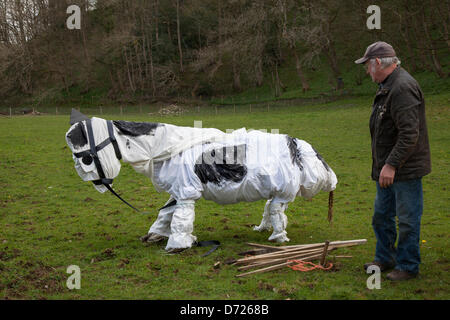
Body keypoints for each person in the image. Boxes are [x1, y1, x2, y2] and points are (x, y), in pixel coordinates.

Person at [355, 41, 431, 281]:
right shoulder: (387, 85)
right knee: (382, 215)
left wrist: (391, 164)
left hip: (404, 169)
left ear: (378, 62)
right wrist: (383, 166)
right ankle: (385, 257)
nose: (367, 72)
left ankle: (408, 266)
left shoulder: (402, 87)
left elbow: (410, 134)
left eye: (367, 66)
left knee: (407, 219)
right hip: (386, 169)